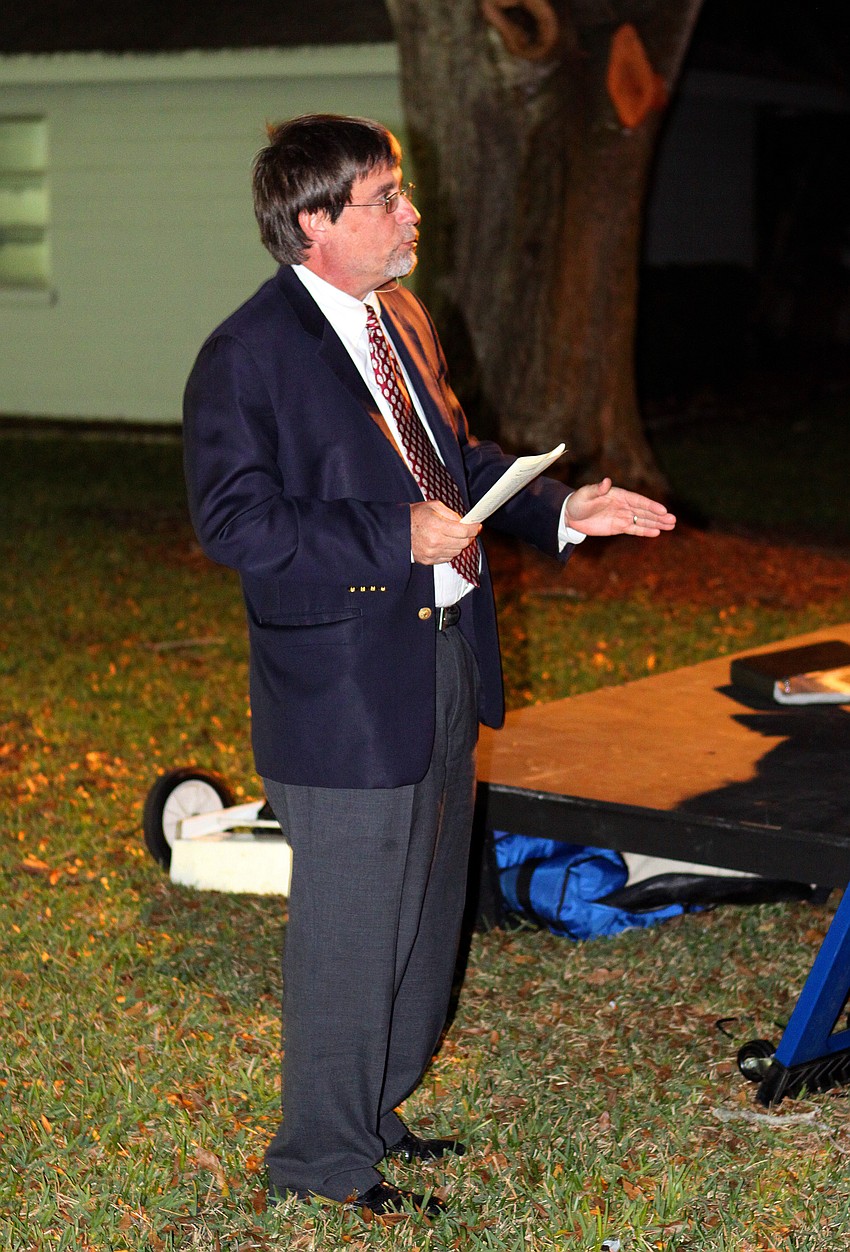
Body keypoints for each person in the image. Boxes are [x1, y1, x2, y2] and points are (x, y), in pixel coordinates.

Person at [182, 113, 676, 1219]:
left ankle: (374, 1108)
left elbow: (457, 459)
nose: (412, 214)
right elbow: (233, 521)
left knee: (425, 906)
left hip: (446, 656)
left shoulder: (399, 316)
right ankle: (317, 1155)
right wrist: (390, 537)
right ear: (315, 222)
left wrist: (559, 507)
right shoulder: (246, 355)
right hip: (344, 689)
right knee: (353, 926)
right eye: (387, 199)